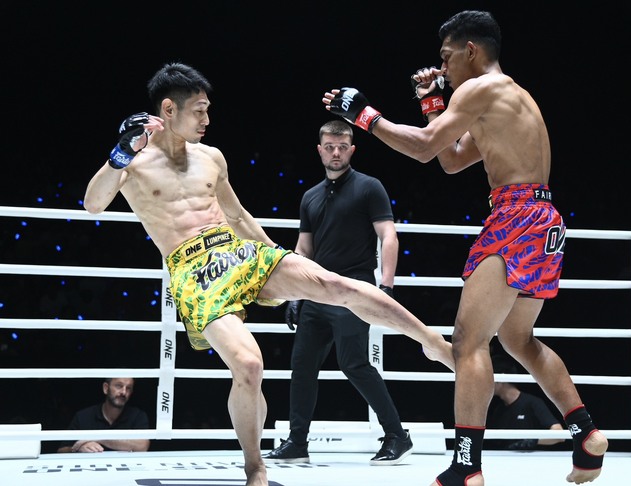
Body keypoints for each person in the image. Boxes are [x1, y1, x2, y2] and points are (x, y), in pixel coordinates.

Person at [83, 62, 453, 486]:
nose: (207, 120)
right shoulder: (132, 162)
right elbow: (93, 204)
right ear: (169, 109)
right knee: (248, 364)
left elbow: (238, 215)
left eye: (207, 110)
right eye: (199, 111)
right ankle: (255, 468)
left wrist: (277, 257)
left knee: (335, 284)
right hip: (193, 271)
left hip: (237, 251)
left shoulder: (211, 157)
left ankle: (433, 343)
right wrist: (120, 153)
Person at [322, 9, 607, 486]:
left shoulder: (479, 89)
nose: (443, 67)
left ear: (471, 50)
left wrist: (366, 118)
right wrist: (433, 102)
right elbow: (452, 160)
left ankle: (466, 466)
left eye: (447, 56)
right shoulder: (511, 96)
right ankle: (586, 434)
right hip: (545, 220)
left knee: (467, 342)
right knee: (518, 340)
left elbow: (424, 148)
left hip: (516, 216)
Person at [262, 120, 413, 466]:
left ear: (352, 150)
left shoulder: (369, 187)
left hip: (355, 289)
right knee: (302, 366)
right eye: (329, 146)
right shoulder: (310, 196)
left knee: (354, 363)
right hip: (317, 290)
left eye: (342, 147)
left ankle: (397, 435)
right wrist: (295, 294)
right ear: (319, 150)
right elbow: (303, 249)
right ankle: (297, 441)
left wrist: (386, 287)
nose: (335, 152)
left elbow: (389, 236)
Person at [486, 354, 565, 451]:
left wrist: (533, 441)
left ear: (501, 378)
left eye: (489, 378)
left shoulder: (532, 403)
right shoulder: (499, 409)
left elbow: (559, 434)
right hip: (505, 457)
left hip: (532, 458)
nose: (486, 383)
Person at [56, 378, 150, 453]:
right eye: (119, 386)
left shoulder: (138, 416)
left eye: (128, 388)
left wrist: (99, 438)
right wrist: (78, 449)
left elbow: (143, 446)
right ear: (106, 388)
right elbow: (61, 450)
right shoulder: (83, 416)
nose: (124, 392)